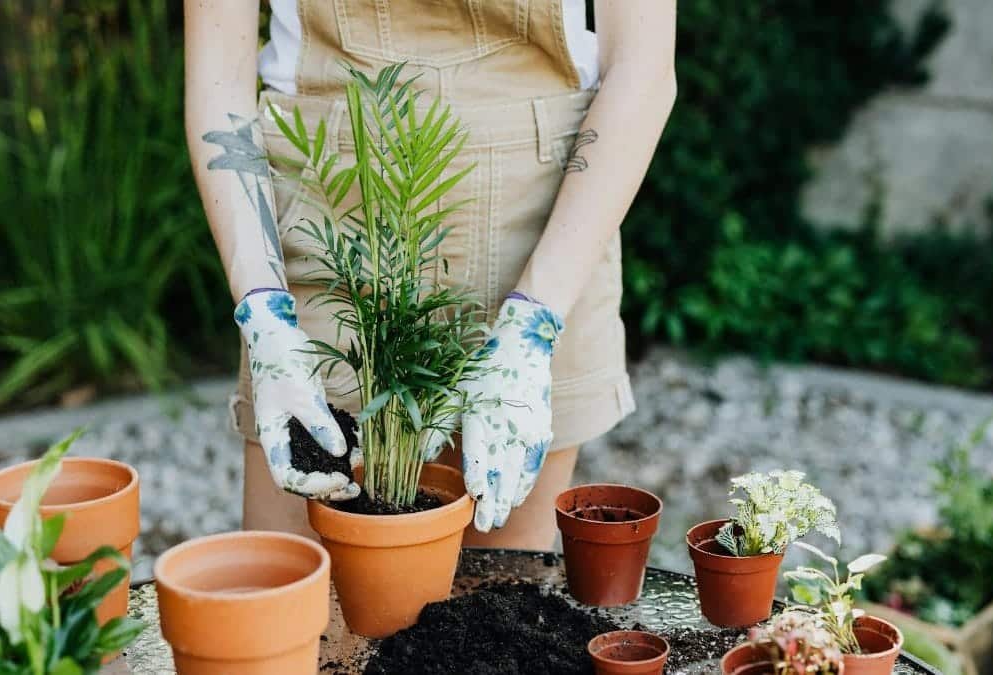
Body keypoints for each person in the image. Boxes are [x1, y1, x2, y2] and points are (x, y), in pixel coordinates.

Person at [184, 0, 676, 550]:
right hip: (328, 213)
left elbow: (644, 66)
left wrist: (533, 325)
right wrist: (263, 311)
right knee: (299, 604)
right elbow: (218, 82)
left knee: (501, 613)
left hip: (539, 231)